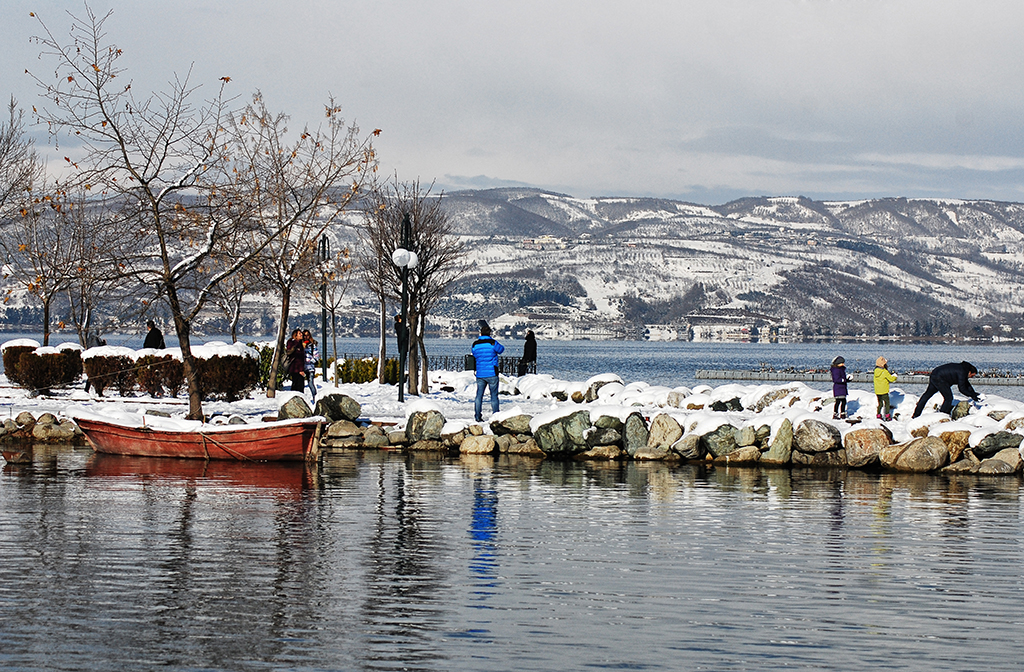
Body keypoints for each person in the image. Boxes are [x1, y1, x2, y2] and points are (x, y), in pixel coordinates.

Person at [911, 361, 981, 418]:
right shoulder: (962, 372)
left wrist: (973, 395)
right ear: (969, 372)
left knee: (927, 395)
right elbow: (962, 389)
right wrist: (972, 394)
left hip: (935, 374)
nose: (972, 377)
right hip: (940, 378)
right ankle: (942, 416)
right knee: (948, 398)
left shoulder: (962, 369)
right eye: (972, 375)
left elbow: (967, 385)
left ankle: (916, 415)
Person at [471, 320, 504, 422]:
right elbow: (501, 350)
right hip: (492, 373)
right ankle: (495, 416)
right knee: (494, 396)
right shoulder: (493, 343)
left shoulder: (475, 344)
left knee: (479, 396)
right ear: (489, 333)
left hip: (480, 373)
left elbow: (474, 354)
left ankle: (477, 416)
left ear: (480, 333)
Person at [874, 356, 897, 421]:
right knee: (887, 403)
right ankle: (887, 415)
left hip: (878, 391)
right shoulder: (884, 371)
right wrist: (895, 376)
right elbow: (891, 379)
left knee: (880, 404)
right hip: (884, 391)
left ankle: (878, 415)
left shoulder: (875, 371)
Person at [284, 329, 307, 393]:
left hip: (298, 368)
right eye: (299, 333)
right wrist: (300, 370)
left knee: (298, 385)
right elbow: (297, 358)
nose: (301, 334)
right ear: (295, 335)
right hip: (295, 368)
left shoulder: (300, 343)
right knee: (298, 385)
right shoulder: (293, 343)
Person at [302, 329, 319, 402]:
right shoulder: (300, 344)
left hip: (310, 368)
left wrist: (310, 361)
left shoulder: (312, 345)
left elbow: (316, 356)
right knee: (300, 385)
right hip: (302, 368)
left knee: (310, 383)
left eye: (307, 335)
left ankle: (316, 398)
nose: (306, 337)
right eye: (304, 335)